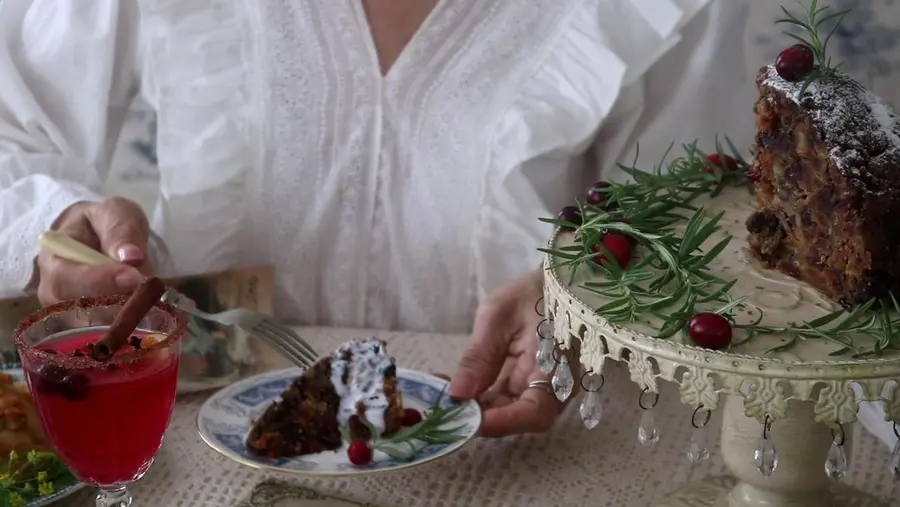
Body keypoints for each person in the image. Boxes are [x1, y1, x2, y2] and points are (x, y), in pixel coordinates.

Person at [0, 0, 754, 438]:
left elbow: (708, 218)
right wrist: (60, 220)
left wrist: (584, 293)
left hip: (513, 448)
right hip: (207, 442)